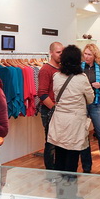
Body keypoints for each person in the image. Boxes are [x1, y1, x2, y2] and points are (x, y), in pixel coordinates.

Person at [47, 45, 94, 172]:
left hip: (59, 120)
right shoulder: (82, 79)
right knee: (72, 156)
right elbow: (91, 99)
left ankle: (60, 183)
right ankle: (70, 183)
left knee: (59, 154)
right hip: (75, 122)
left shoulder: (56, 76)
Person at [80, 43, 100, 174]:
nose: (86, 57)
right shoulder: (79, 67)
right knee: (83, 136)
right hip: (81, 105)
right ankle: (86, 167)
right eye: (85, 54)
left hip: (96, 104)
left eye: (89, 54)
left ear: (95, 56)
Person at [37, 42, 63, 170]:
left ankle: (58, 169)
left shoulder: (62, 69)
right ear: (51, 53)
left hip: (60, 110)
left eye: (62, 52)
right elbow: (42, 93)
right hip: (49, 110)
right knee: (51, 142)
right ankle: (51, 171)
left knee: (60, 142)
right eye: (58, 52)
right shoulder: (45, 70)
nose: (61, 55)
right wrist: (54, 108)